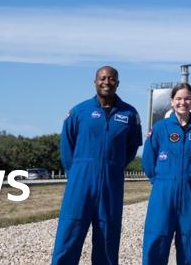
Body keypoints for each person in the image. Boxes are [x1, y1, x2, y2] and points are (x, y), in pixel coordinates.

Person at [51, 65, 143, 265]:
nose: (106, 82)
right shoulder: (78, 112)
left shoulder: (129, 114)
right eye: (102, 78)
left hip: (111, 184)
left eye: (111, 79)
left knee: (108, 236)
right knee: (69, 234)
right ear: (95, 82)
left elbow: (131, 148)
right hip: (80, 183)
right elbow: (67, 147)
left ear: (117, 83)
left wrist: (113, 166)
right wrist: (76, 173)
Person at [142, 83, 191, 265]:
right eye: (178, 99)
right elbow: (148, 160)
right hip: (163, 191)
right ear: (172, 102)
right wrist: (159, 181)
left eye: (187, 98)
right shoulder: (160, 128)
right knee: (157, 238)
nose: (182, 102)